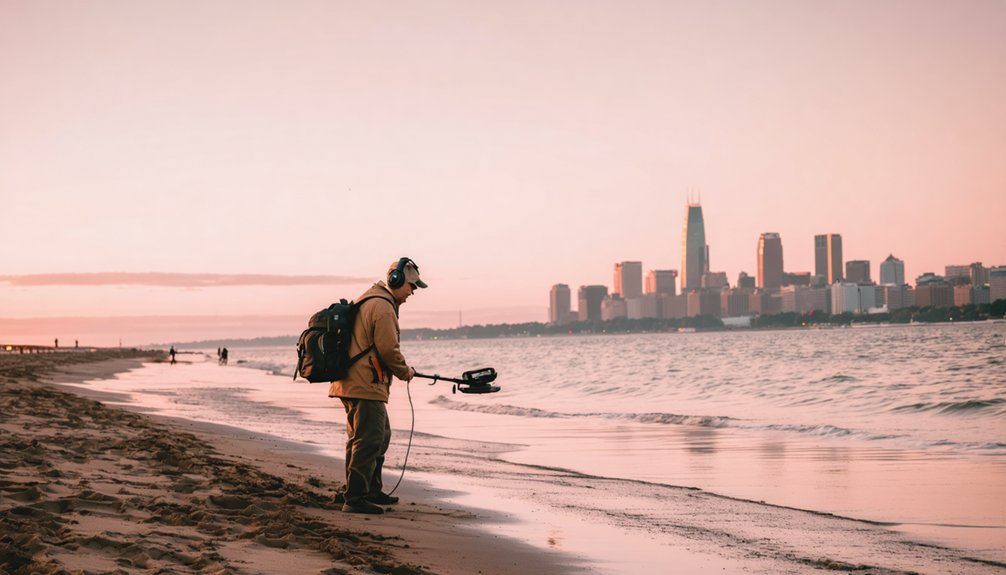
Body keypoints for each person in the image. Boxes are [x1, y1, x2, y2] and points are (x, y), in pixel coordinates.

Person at [328, 257, 427, 515]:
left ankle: (368, 489)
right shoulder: (382, 306)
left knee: (376, 436)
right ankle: (356, 498)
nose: (412, 292)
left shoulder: (372, 300)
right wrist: (405, 371)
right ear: (396, 280)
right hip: (363, 383)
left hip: (353, 382)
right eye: (411, 286)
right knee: (369, 439)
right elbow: (388, 349)